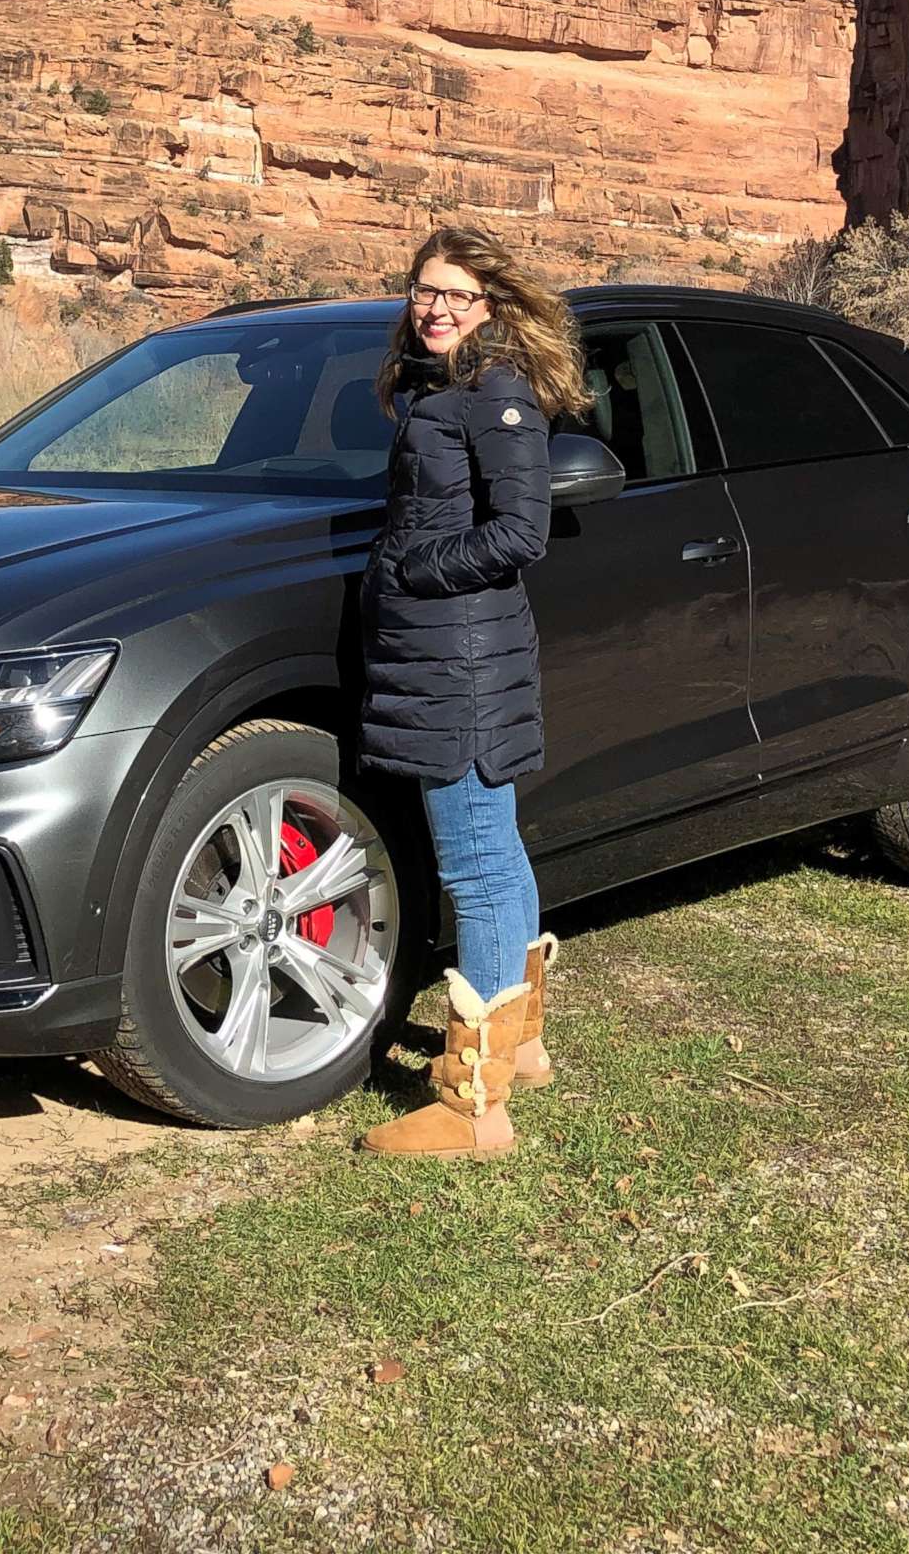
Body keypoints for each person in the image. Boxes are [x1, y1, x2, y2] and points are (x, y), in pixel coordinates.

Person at [356, 224, 590, 1160]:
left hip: (459, 663)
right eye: (425, 290)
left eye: (457, 294)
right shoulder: (434, 392)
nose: (438, 308)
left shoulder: (497, 395)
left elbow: (520, 533)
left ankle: (472, 1106)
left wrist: (411, 568)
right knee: (495, 849)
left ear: (492, 305)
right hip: (445, 657)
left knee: (477, 868)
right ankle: (520, 1047)